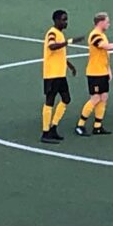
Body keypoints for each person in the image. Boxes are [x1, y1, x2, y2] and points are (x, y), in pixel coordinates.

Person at [74, 12, 113, 136]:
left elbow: (105, 54)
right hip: (94, 72)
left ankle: (97, 126)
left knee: (104, 97)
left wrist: (108, 69)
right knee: (95, 98)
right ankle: (80, 125)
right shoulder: (95, 35)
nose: (109, 24)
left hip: (102, 72)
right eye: (107, 22)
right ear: (100, 22)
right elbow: (106, 47)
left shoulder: (102, 35)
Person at [40, 9, 81, 144]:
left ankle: (53, 126)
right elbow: (52, 46)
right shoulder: (52, 33)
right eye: (63, 20)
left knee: (66, 99)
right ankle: (45, 132)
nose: (66, 22)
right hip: (51, 74)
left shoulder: (60, 34)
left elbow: (60, 54)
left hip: (60, 74)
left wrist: (70, 65)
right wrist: (69, 42)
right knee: (50, 101)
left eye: (66, 19)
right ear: (56, 20)